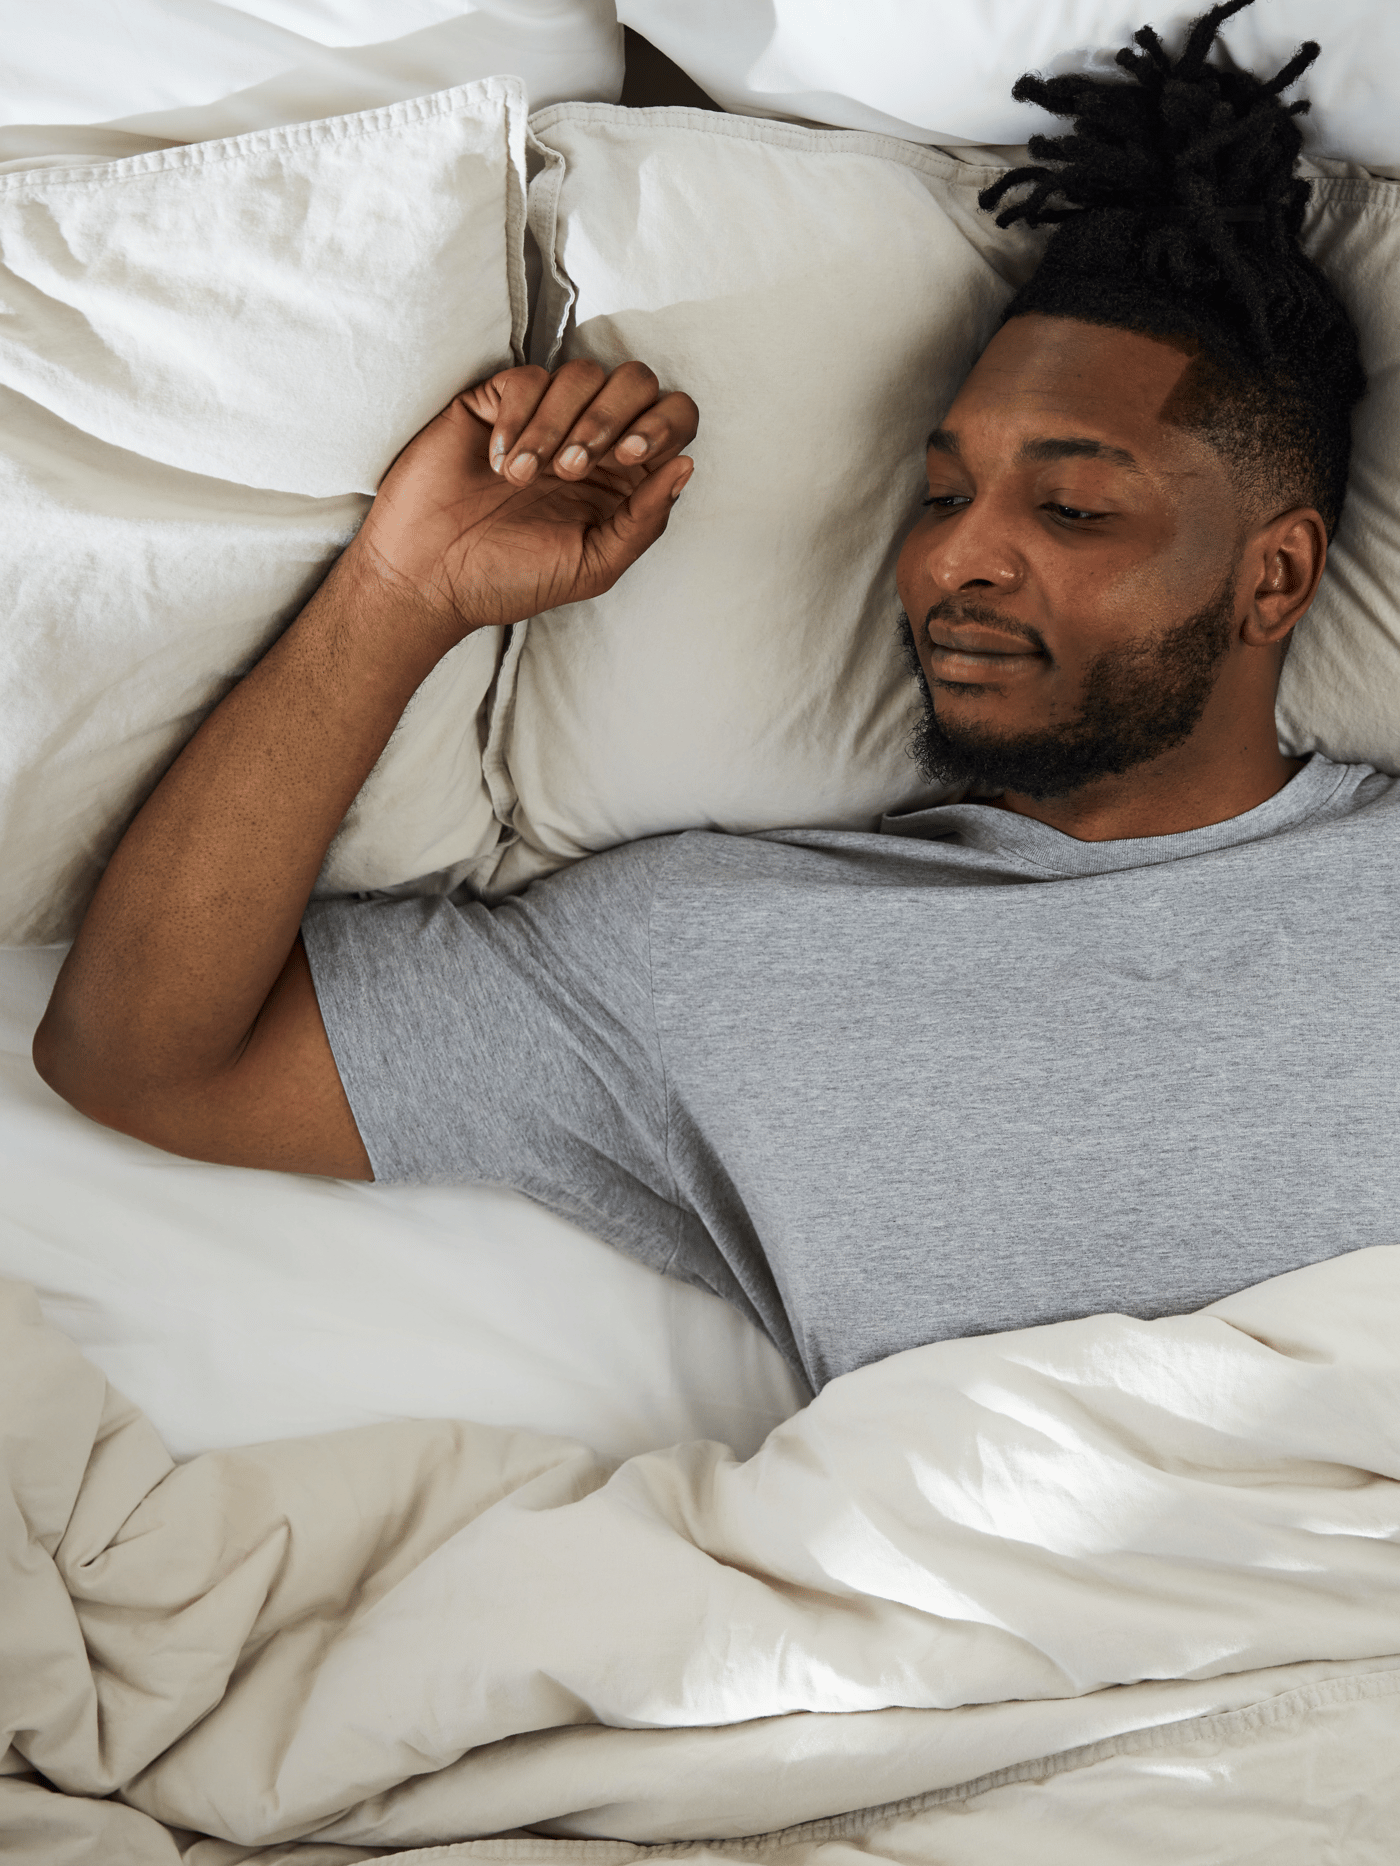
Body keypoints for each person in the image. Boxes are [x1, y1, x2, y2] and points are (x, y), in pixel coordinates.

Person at [33, 1, 1391, 1392]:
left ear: (1275, 576)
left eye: (1075, 507)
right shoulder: (713, 960)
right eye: (940, 495)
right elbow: (140, 1060)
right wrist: (400, 591)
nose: (953, 561)